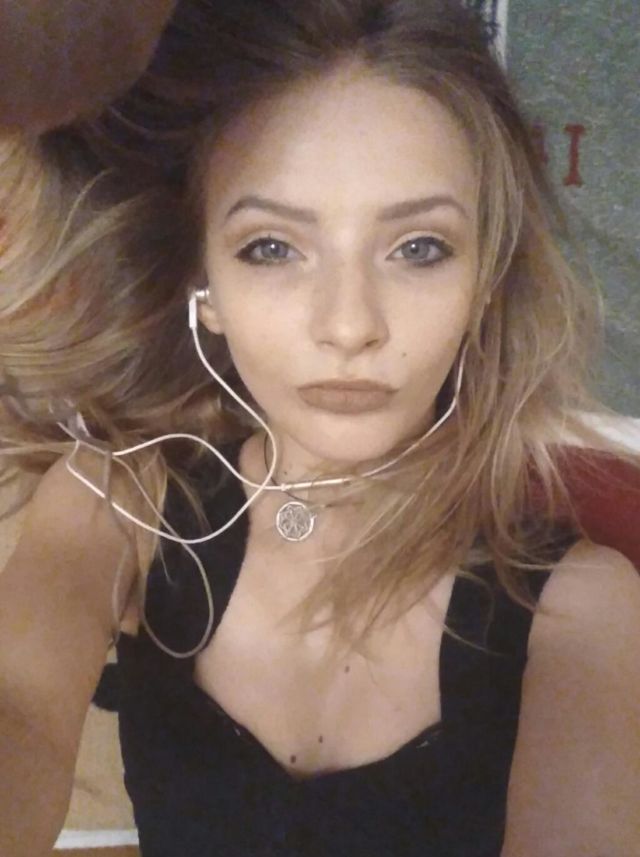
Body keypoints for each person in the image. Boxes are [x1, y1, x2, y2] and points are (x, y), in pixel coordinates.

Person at [0, 1, 639, 855]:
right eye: (272, 247)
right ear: (203, 285)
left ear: (486, 278)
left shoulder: (584, 610)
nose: (348, 325)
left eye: (418, 248)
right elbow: (19, 708)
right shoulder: (113, 507)